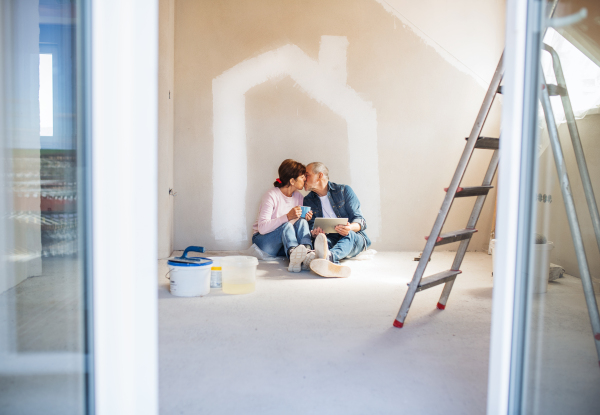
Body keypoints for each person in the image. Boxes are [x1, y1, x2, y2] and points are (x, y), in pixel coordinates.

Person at [303, 162, 371, 278]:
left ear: (320, 176)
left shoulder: (344, 191)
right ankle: (329, 263)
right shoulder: (308, 200)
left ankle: (329, 258)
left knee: (349, 235)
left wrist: (349, 227)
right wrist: (314, 233)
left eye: (307, 175)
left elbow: (361, 220)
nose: (304, 178)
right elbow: (311, 225)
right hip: (330, 237)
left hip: (353, 236)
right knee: (322, 241)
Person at [252, 159, 316, 272]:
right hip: (264, 242)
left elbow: (295, 225)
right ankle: (293, 256)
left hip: (284, 244)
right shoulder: (271, 195)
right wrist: (287, 216)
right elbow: (262, 228)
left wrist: (304, 218)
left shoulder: (298, 197)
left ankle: (307, 254)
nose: (305, 179)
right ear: (292, 181)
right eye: (302, 177)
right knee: (286, 225)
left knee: (302, 222)